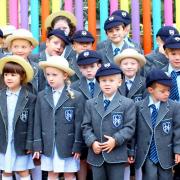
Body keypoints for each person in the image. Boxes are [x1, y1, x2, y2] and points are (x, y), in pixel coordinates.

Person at [81, 63, 136, 180]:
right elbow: (86, 126)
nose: (107, 83)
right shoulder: (90, 103)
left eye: (111, 80)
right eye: (103, 80)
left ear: (120, 82)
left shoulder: (127, 103)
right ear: (99, 83)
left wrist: (115, 140)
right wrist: (92, 142)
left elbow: (129, 127)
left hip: (117, 154)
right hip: (97, 154)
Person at [33, 56, 84, 180]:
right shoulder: (41, 96)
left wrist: (78, 145)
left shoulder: (76, 97)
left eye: (54, 75)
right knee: (52, 173)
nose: (50, 78)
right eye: (48, 74)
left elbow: (79, 123)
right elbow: (37, 122)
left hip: (68, 145)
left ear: (65, 75)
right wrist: (37, 145)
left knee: (69, 174)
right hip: (48, 144)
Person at [132, 69, 180, 180]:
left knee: (166, 177)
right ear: (150, 90)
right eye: (162, 91)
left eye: (168, 90)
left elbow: (178, 130)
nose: (167, 93)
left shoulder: (174, 107)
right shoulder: (138, 106)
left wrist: (178, 150)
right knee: (149, 177)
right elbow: (134, 131)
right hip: (146, 153)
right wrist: (131, 151)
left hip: (166, 153)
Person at [0, 55, 36, 180]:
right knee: (6, 171)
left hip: (21, 141)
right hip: (4, 141)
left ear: (22, 76)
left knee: (23, 171)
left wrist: (30, 143)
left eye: (13, 75)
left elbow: (32, 122)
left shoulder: (29, 97)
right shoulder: (1, 96)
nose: (8, 78)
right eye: (6, 75)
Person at [114, 48, 147, 180]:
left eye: (133, 63)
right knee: (123, 158)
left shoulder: (144, 82)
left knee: (139, 156)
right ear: (120, 66)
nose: (129, 66)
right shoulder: (116, 81)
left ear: (138, 65)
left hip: (140, 123)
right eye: (125, 63)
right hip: (121, 125)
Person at [71, 50, 102, 180]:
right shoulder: (74, 86)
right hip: (81, 128)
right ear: (79, 69)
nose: (88, 70)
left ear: (99, 66)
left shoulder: (105, 83)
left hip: (100, 128)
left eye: (92, 67)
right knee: (82, 158)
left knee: (97, 159)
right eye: (84, 67)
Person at [5, 28, 46, 94]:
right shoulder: (4, 66)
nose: (19, 50)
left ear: (31, 48)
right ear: (11, 47)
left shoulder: (38, 69)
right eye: (15, 47)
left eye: (23, 47)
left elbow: (41, 92)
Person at [162, 34, 180, 180]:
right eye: (173, 53)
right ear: (166, 53)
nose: (177, 57)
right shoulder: (159, 74)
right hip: (165, 123)